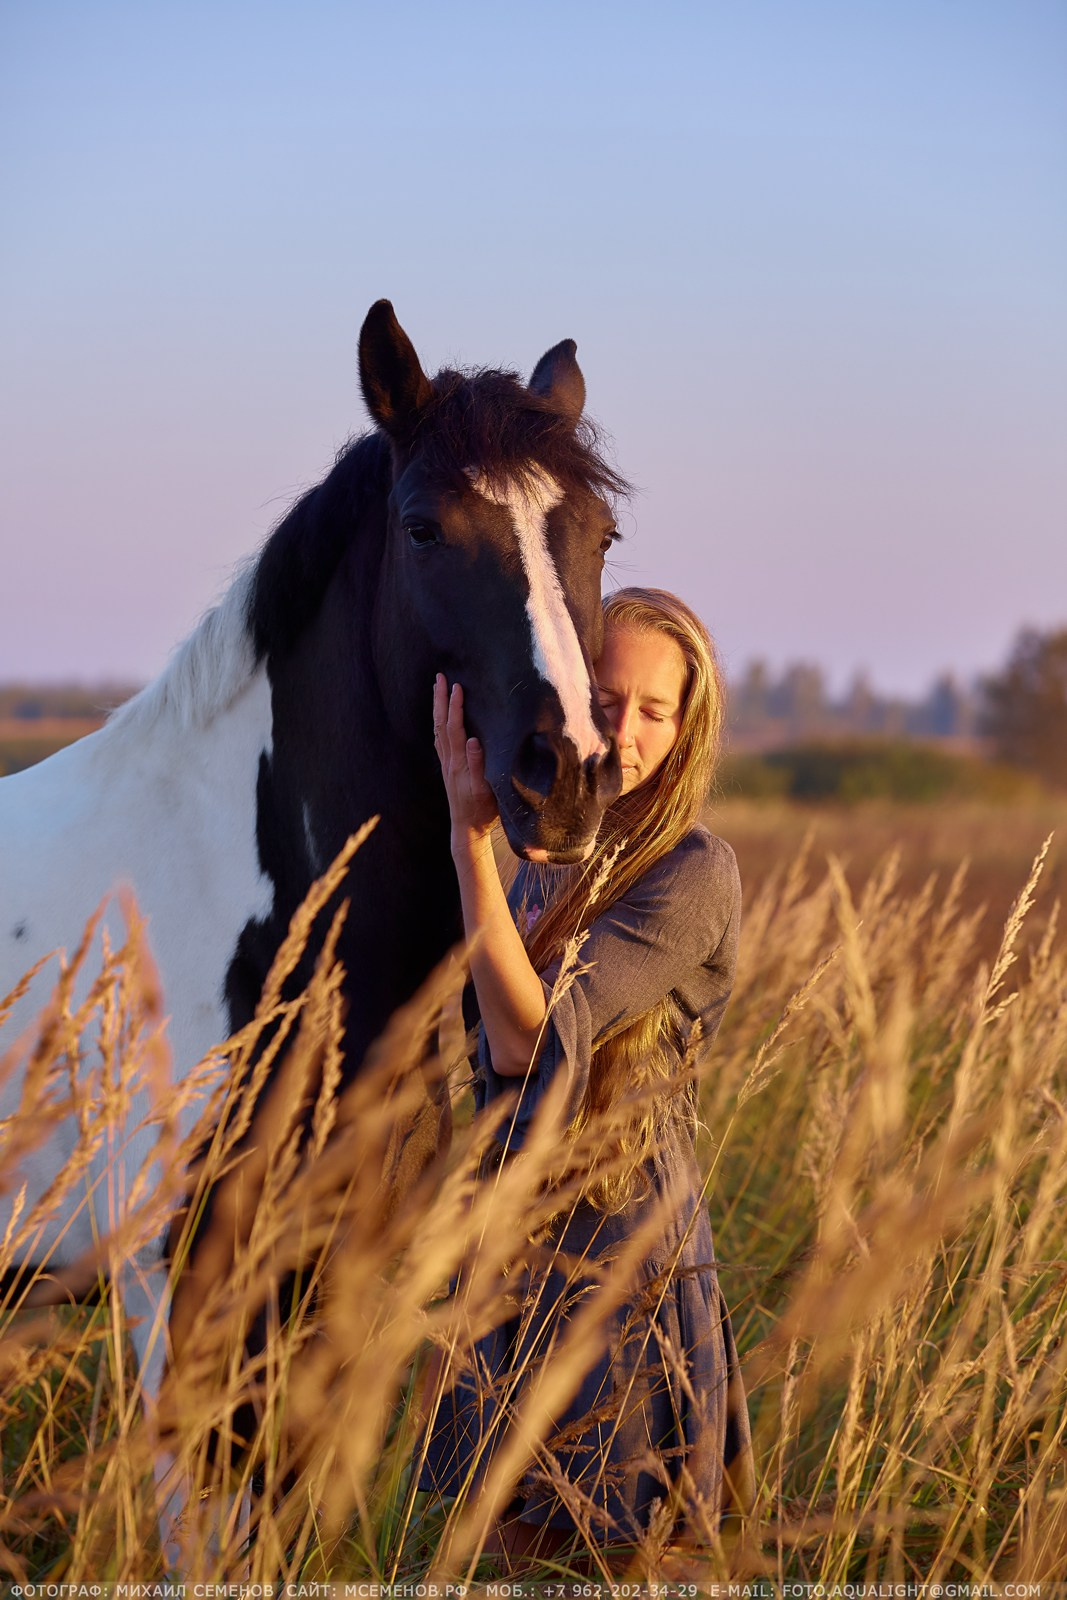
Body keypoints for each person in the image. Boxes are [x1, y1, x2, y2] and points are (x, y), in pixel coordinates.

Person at [419, 586, 753, 1565]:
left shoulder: (691, 872)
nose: (629, 729)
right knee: (505, 1553)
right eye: (605, 700)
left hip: (622, 1259)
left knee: (628, 1561)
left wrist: (466, 840)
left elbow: (528, 1044)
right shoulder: (540, 860)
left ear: (687, 728)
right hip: (513, 1250)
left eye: (656, 710)